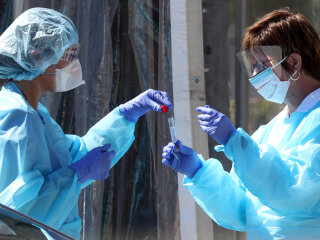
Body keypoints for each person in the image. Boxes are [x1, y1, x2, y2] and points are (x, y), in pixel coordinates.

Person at [0, 7, 172, 240]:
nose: (74, 64)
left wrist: (126, 115)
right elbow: (18, 210)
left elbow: (73, 155)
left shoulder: (35, 114)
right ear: (37, 55)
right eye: (68, 54)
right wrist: (78, 174)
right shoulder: (18, 116)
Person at [162, 8, 320, 240]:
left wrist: (235, 142)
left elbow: (294, 191)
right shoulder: (270, 131)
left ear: (294, 61)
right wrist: (198, 171)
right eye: (252, 66)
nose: (255, 74)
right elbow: (241, 211)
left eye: (263, 64)